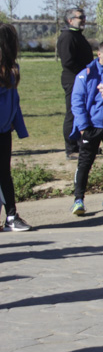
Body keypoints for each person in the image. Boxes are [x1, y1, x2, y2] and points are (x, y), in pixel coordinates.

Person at [70, 40, 103, 216]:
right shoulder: (86, 74)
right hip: (91, 126)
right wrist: (84, 127)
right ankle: (78, 200)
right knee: (85, 163)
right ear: (99, 54)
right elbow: (77, 101)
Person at [0, 22, 31, 231]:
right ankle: (11, 216)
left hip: (4, 130)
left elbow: (14, 101)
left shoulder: (12, 69)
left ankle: (11, 216)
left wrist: (19, 127)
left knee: (4, 174)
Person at [58, 7, 92, 159]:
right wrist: (83, 72)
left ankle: (82, 145)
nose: (83, 19)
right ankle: (71, 148)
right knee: (73, 112)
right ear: (70, 20)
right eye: (80, 17)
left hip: (82, 79)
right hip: (73, 79)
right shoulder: (67, 36)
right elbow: (67, 61)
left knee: (83, 111)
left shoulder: (77, 35)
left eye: (84, 17)